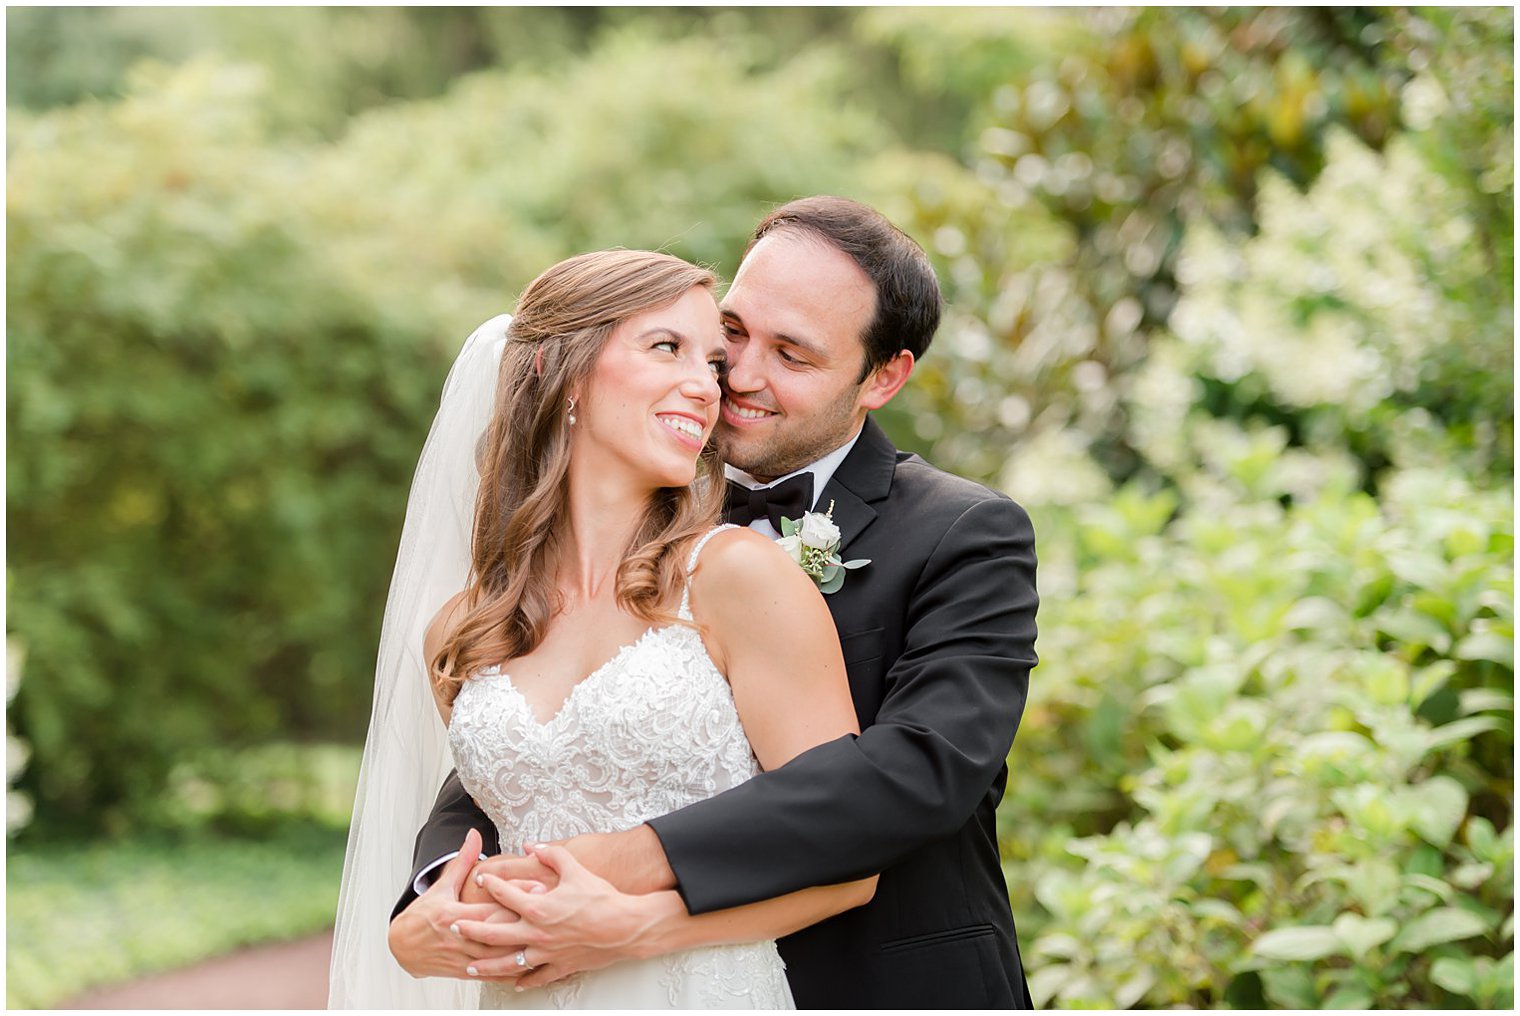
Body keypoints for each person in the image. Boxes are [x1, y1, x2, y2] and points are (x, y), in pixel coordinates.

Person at [389, 197, 1040, 1008]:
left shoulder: (962, 533)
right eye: (732, 335)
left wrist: (612, 868)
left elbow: (916, 775)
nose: (738, 376)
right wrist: (435, 891)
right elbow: (534, 742)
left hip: (882, 979)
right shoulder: (647, 518)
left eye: (792, 355)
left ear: (884, 377)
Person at [328, 249, 877, 1008]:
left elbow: (851, 859)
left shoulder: (736, 577)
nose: (709, 385)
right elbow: (481, 827)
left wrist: (638, 927)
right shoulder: (465, 630)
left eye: (711, 362)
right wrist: (422, 924)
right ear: (567, 373)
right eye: (667, 348)